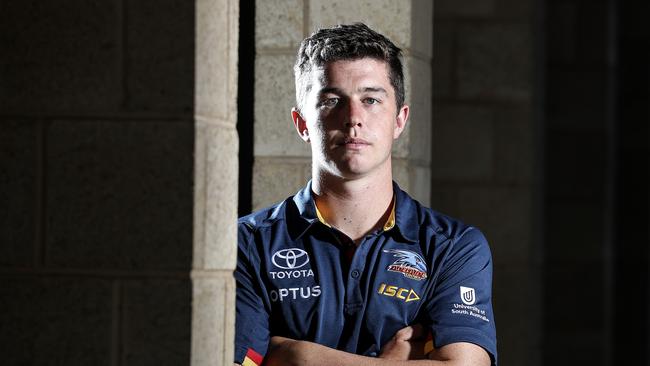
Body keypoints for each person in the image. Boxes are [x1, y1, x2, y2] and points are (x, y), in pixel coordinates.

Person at [234, 23, 497, 366]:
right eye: (332, 101)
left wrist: (298, 356)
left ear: (399, 120)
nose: (353, 118)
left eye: (371, 100)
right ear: (302, 124)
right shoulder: (249, 242)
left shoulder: (453, 247)